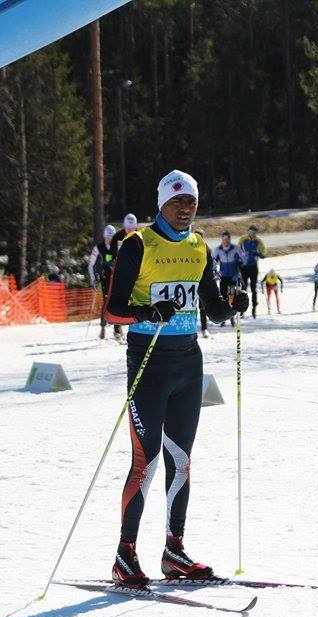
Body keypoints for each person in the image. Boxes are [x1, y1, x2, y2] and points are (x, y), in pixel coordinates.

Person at [104, 169, 249, 587]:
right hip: (148, 362)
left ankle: (174, 550)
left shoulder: (198, 246)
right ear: (162, 204)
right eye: (177, 202)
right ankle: (125, 554)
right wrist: (147, 313)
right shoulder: (138, 244)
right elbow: (113, 310)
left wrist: (234, 304)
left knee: (181, 461)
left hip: (188, 363)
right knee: (144, 462)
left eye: (192, 203)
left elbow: (214, 308)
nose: (185, 210)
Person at [89, 224, 122, 340]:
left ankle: (117, 329)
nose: (109, 240)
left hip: (117, 278)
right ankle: (103, 328)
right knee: (106, 302)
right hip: (105, 279)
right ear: (104, 236)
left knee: (117, 301)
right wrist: (93, 279)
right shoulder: (98, 247)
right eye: (107, 237)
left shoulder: (118, 247)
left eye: (111, 237)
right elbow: (91, 264)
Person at [213, 231, 243, 326]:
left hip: (233, 277)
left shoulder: (235, 248)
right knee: (223, 296)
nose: (225, 241)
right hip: (223, 277)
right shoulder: (218, 249)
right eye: (224, 239)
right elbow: (213, 261)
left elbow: (243, 259)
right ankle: (223, 318)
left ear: (229, 239)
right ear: (222, 239)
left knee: (232, 297)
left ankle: (232, 318)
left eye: (227, 239)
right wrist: (215, 271)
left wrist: (239, 271)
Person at [239, 225, 267, 318]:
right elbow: (237, 251)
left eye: (254, 232)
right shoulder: (243, 239)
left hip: (253, 267)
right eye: (251, 232)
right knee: (244, 289)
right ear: (248, 231)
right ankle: (242, 309)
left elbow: (264, 253)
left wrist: (259, 254)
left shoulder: (258, 241)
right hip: (244, 267)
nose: (252, 234)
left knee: (254, 289)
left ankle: (254, 309)